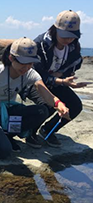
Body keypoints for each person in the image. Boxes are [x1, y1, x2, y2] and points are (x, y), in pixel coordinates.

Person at [0, 37, 70, 158]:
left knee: (42, 111)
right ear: (11, 58)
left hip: (7, 110)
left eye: (30, 63)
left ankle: (6, 135)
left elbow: (45, 93)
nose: (26, 68)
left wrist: (58, 104)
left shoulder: (30, 73)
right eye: (22, 63)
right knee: (4, 151)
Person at [27, 10, 86, 148]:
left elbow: (73, 65)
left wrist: (68, 81)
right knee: (50, 105)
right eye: (65, 36)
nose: (68, 40)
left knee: (75, 106)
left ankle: (48, 129)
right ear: (55, 29)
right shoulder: (40, 44)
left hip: (57, 83)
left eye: (72, 36)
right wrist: (58, 80)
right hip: (35, 83)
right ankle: (30, 131)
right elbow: (36, 73)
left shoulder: (72, 47)